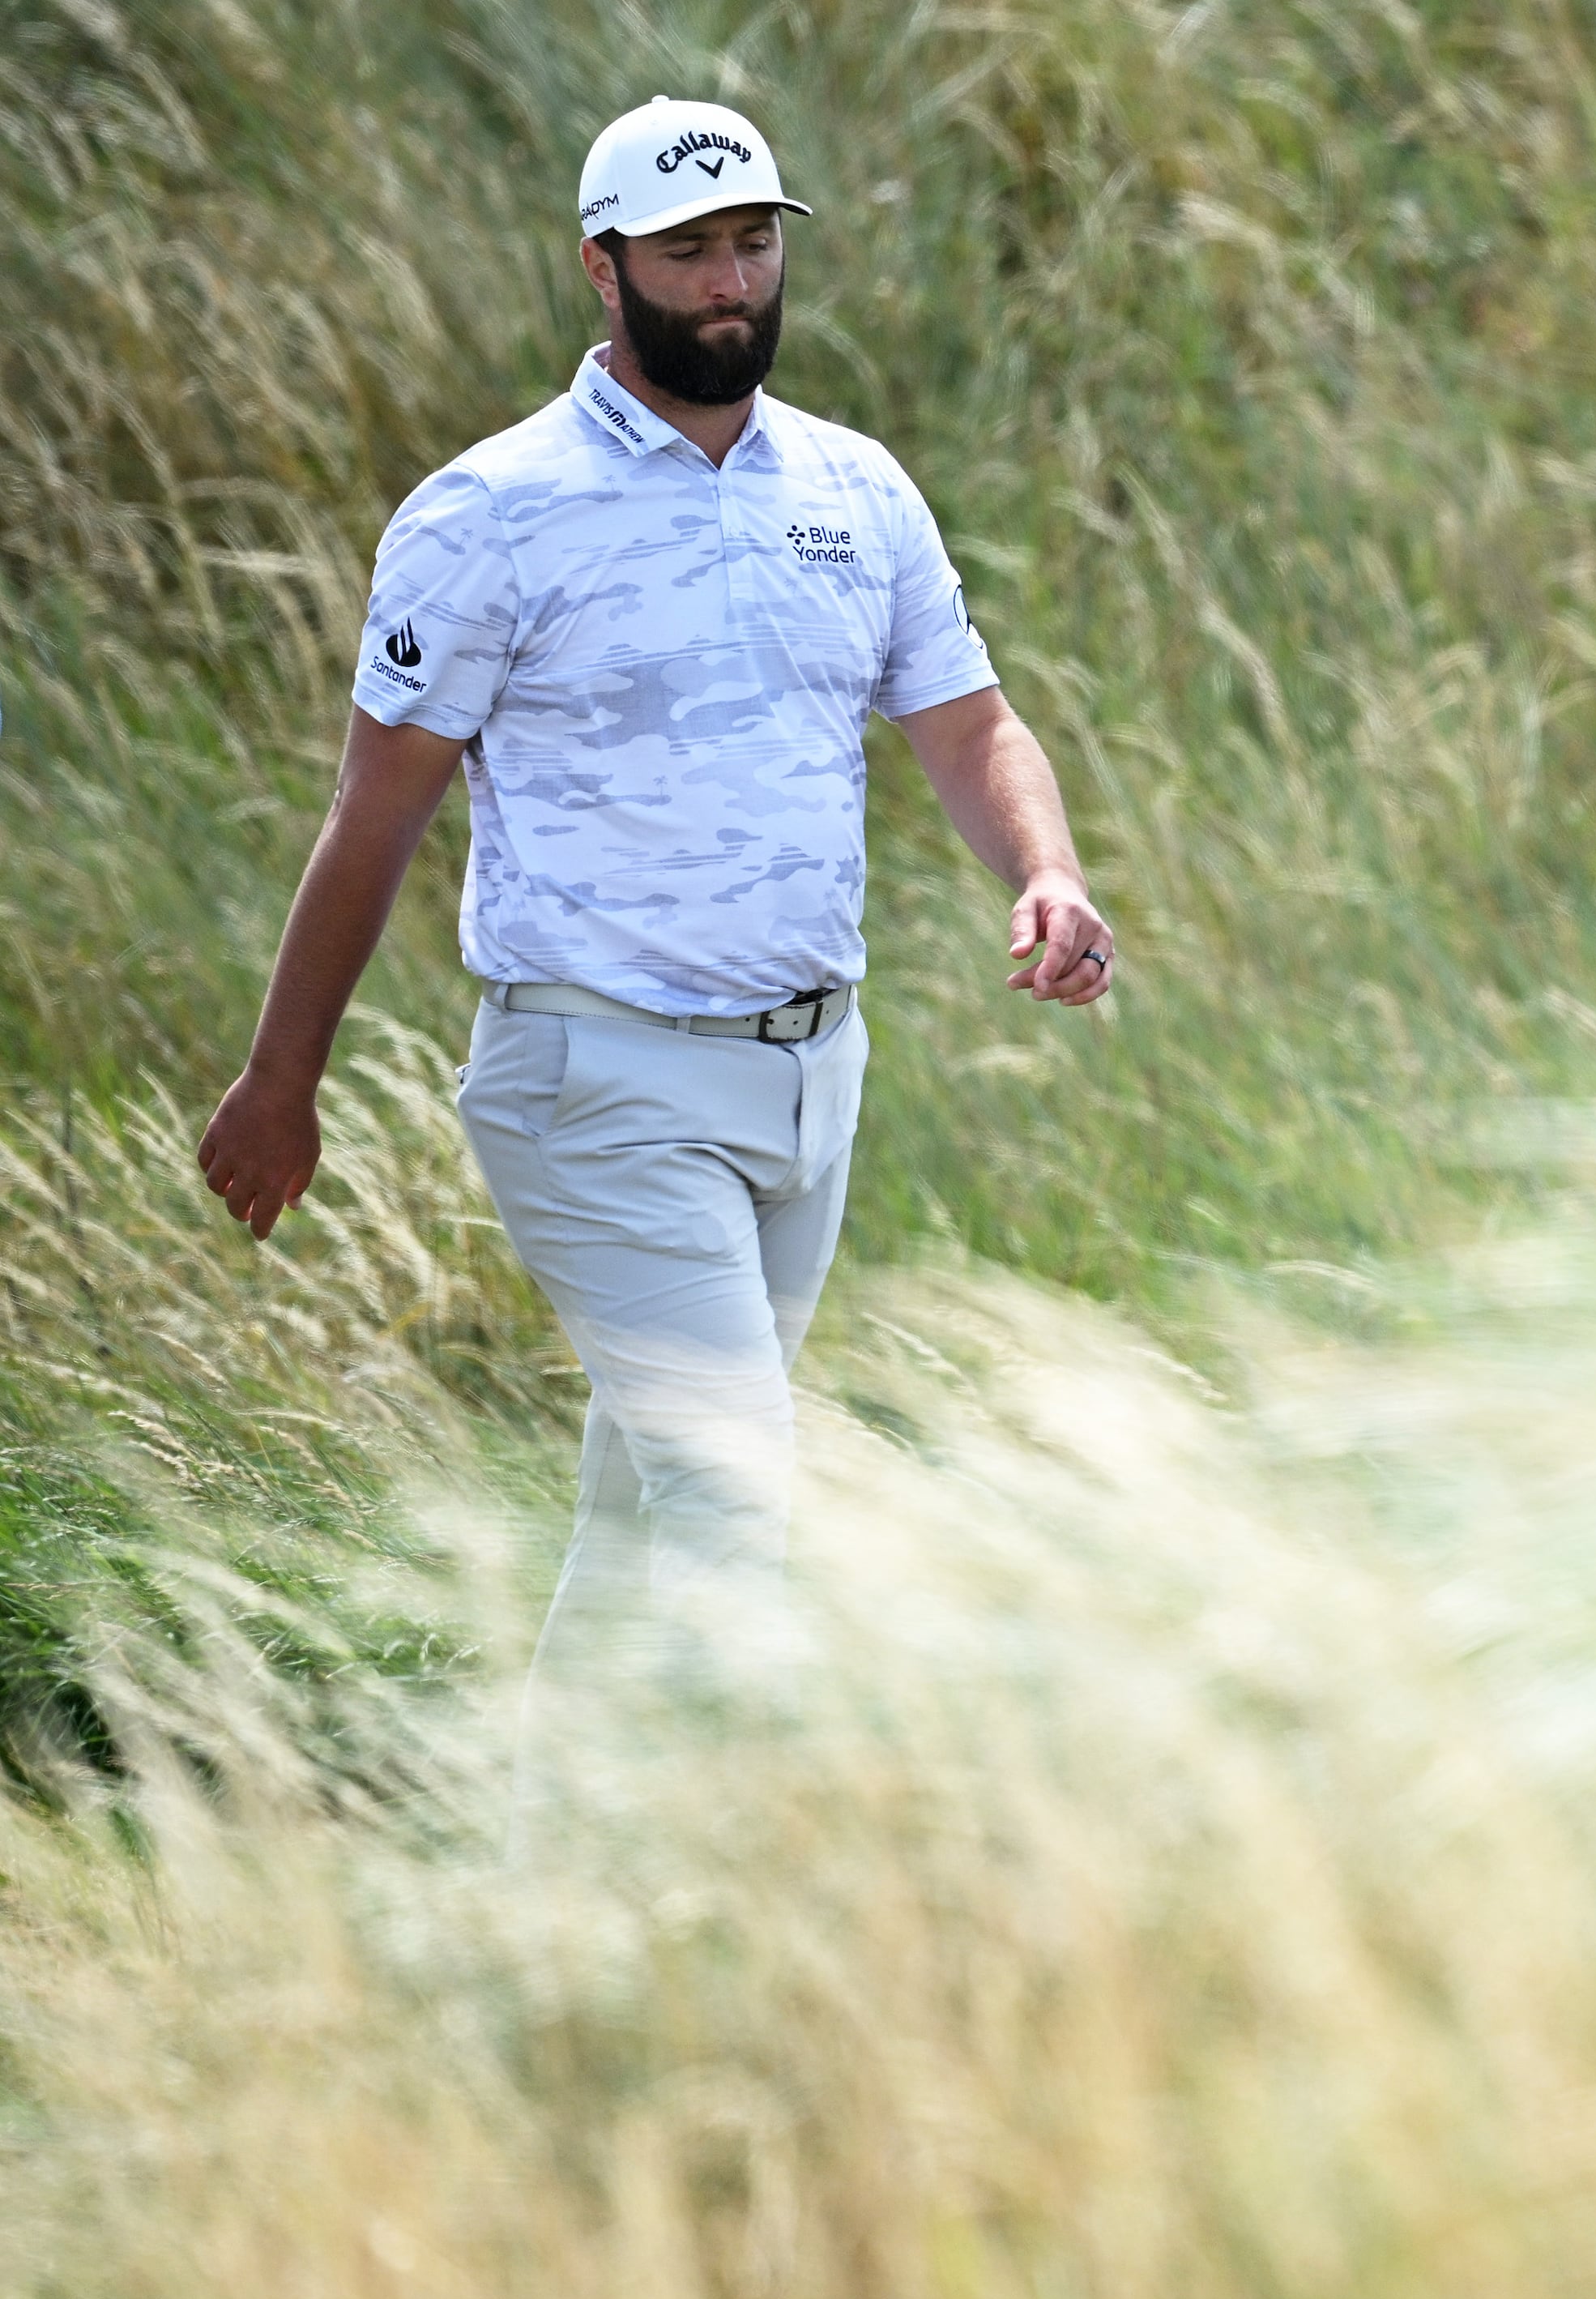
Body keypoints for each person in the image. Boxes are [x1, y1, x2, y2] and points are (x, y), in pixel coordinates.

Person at [194, 96, 1114, 1727]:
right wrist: (285, 1080)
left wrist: (1044, 867)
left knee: (645, 1522)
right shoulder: (488, 515)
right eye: (686, 254)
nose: (728, 287)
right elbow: (375, 813)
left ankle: (545, 1897)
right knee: (733, 1501)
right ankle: (746, 1908)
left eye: (753, 244)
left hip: (810, 1077)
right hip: (596, 1078)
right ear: (600, 272)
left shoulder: (856, 488)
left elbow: (971, 728)